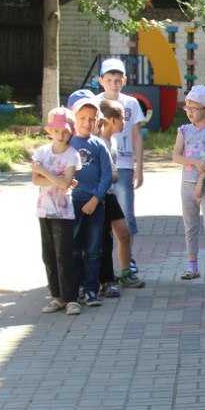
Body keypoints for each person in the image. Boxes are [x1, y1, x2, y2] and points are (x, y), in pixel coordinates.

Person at [66, 91, 141, 298]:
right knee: (98, 241)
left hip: (106, 194)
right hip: (95, 196)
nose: (124, 123)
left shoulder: (108, 143)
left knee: (119, 235)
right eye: (122, 119)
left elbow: (109, 173)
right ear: (110, 121)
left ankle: (120, 273)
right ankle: (96, 281)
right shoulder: (90, 141)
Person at [31, 107, 82, 316]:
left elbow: (65, 183)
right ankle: (56, 296)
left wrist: (44, 171)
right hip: (44, 210)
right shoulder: (42, 152)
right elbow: (35, 181)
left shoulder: (72, 154)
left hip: (63, 211)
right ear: (50, 131)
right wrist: (58, 179)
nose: (61, 136)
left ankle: (71, 298)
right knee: (48, 254)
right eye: (57, 131)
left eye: (65, 132)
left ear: (70, 132)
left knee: (64, 254)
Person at [98, 58, 145, 281]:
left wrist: (139, 166)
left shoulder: (131, 103)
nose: (114, 84)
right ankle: (102, 262)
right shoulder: (95, 103)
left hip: (124, 165)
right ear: (101, 81)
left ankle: (128, 262)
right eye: (109, 80)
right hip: (101, 168)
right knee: (103, 217)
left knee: (126, 216)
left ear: (124, 80)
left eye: (118, 80)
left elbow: (136, 134)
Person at [172, 85, 205, 280]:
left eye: (194, 108)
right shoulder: (184, 130)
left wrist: (201, 181)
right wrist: (194, 162)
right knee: (190, 226)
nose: (190, 112)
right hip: (187, 183)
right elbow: (176, 156)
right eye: (187, 108)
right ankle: (192, 265)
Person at [66, 95, 112, 307]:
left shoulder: (99, 145)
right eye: (82, 118)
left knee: (94, 248)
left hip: (95, 204)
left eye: (92, 119)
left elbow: (107, 175)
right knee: (74, 248)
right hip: (71, 204)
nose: (87, 122)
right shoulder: (68, 143)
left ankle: (92, 289)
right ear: (74, 118)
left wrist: (96, 198)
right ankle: (74, 290)